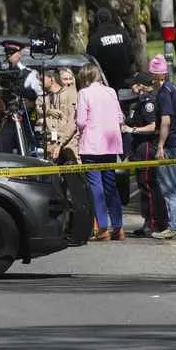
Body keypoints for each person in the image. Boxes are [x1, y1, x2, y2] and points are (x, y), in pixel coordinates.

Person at [75, 62, 125, 241]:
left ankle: (102, 227)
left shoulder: (84, 93)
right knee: (111, 185)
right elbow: (120, 117)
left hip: (92, 145)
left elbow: (81, 121)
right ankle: (118, 226)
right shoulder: (111, 92)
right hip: (111, 144)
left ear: (84, 77)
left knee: (96, 187)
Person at [121, 71, 168, 236]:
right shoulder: (141, 100)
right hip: (140, 146)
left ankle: (155, 223)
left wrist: (131, 129)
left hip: (147, 146)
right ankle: (149, 220)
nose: (131, 87)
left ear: (141, 85)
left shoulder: (149, 101)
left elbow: (153, 125)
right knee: (144, 185)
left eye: (133, 84)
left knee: (148, 185)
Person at [147, 55, 176, 240]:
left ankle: (174, 226)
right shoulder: (174, 90)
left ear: (155, 75)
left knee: (169, 188)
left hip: (169, 145)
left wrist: (160, 145)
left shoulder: (163, 93)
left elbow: (166, 120)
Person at [86, 7, 134, 91]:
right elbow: (132, 55)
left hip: (106, 81)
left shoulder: (95, 38)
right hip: (125, 79)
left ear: (98, 20)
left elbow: (91, 60)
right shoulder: (122, 32)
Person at [37, 69, 78, 163]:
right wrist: (54, 142)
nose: (39, 83)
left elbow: (72, 123)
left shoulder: (72, 94)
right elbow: (54, 126)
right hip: (55, 144)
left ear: (52, 79)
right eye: (64, 79)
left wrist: (59, 143)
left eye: (42, 79)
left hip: (69, 146)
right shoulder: (50, 96)